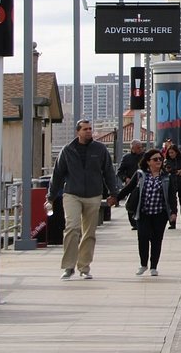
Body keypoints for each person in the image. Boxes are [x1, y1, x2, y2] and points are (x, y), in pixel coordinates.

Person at [45, 119, 119, 280]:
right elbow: (57, 175)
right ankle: (68, 266)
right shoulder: (67, 150)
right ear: (77, 131)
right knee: (72, 228)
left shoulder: (100, 150)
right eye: (85, 129)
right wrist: (50, 197)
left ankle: (84, 267)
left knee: (89, 232)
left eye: (90, 129)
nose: (88, 131)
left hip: (93, 195)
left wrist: (114, 193)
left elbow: (108, 172)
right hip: (72, 194)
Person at [116, 147, 178, 276]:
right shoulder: (140, 175)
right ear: (148, 162)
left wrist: (174, 212)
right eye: (155, 159)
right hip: (143, 212)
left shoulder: (166, 177)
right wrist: (115, 199)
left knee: (157, 239)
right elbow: (128, 188)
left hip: (160, 214)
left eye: (160, 159)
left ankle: (154, 266)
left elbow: (172, 196)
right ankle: (143, 264)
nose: (158, 161)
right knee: (142, 237)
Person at [117, 140, 145, 230]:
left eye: (141, 147)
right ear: (132, 148)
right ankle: (133, 223)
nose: (140, 149)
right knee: (131, 203)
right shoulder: (126, 158)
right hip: (131, 185)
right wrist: (125, 178)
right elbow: (120, 172)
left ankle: (141, 221)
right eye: (138, 148)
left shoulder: (145, 156)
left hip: (144, 183)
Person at [162, 145, 181, 229]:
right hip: (171, 183)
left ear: (176, 152)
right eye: (169, 153)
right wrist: (169, 171)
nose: (171, 154)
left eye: (172, 152)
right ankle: (172, 222)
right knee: (172, 203)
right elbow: (164, 172)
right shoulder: (166, 161)